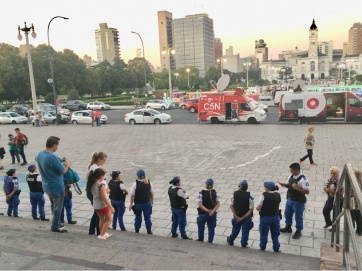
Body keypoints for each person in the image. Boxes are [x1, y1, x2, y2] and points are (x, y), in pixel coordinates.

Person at [35, 136, 71, 233]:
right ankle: (55, 226)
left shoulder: (39, 154)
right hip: (57, 186)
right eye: (57, 145)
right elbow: (63, 171)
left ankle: (57, 222)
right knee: (58, 208)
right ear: (54, 145)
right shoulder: (52, 157)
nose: (57, 147)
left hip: (46, 185)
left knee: (53, 205)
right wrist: (67, 165)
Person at [279, 162, 310, 239]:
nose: (290, 171)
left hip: (298, 201)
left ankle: (298, 230)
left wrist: (297, 188)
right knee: (287, 213)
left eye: (292, 170)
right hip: (289, 199)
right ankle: (288, 226)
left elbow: (307, 191)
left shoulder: (303, 179)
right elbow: (290, 185)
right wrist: (285, 185)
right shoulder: (291, 176)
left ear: (297, 170)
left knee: (298, 216)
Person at [87, 168, 114, 240]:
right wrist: (111, 207)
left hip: (96, 205)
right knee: (109, 219)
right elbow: (104, 198)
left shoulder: (92, 184)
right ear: (100, 176)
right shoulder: (101, 185)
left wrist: (105, 190)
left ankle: (102, 233)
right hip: (102, 205)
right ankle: (102, 234)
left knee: (101, 219)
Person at [226, 180, 254, 247]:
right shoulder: (250, 197)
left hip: (237, 216)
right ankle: (244, 243)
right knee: (245, 231)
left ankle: (231, 239)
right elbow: (251, 210)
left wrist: (236, 216)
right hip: (246, 217)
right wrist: (243, 217)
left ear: (239, 186)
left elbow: (231, 206)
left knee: (235, 229)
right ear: (247, 187)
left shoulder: (234, 195)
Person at [86, 151, 108, 236]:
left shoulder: (93, 167)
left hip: (92, 191)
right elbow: (97, 182)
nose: (104, 162)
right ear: (99, 159)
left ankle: (92, 230)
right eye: (104, 160)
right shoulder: (95, 169)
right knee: (99, 212)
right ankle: (99, 231)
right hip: (95, 192)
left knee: (97, 212)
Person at [256, 181, 281, 252]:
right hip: (275, 217)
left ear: (268, 189)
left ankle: (263, 247)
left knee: (264, 234)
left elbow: (258, 208)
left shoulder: (263, 196)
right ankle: (276, 248)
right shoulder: (278, 195)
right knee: (275, 234)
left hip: (265, 218)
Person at [128, 169, 154, 234]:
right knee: (147, 217)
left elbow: (132, 195)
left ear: (138, 176)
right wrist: (152, 201)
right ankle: (149, 230)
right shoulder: (149, 182)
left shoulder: (135, 184)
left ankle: (137, 230)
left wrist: (131, 204)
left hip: (138, 204)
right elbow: (151, 193)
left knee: (138, 217)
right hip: (147, 203)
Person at [196, 179, 220, 243]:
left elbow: (199, 204)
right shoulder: (215, 193)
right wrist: (212, 211)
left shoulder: (201, 193)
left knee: (201, 226)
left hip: (203, 213)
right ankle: (210, 240)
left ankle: (201, 238)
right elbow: (218, 204)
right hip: (212, 214)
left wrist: (207, 210)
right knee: (211, 227)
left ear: (206, 184)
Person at [351, 169, 362, 236]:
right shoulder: (361, 182)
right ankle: (359, 230)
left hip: (353, 202)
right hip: (359, 203)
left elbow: (351, 193)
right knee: (359, 217)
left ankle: (352, 228)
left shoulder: (354, 183)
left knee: (352, 215)